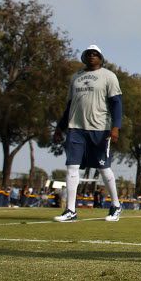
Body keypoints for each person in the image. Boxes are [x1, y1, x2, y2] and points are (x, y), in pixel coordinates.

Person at [52, 45, 124, 223]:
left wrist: (116, 127)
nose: (92, 56)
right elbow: (69, 106)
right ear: (84, 57)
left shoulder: (109, 76)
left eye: (95, 54)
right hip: (76, 128)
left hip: (100, 129)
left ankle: (115, 205)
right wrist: (59, 128)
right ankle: (70, 210)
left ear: (101, 57)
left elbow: (116, 103)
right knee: (72, 167)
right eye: (89, 54)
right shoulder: (75, 78)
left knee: (103, 167)